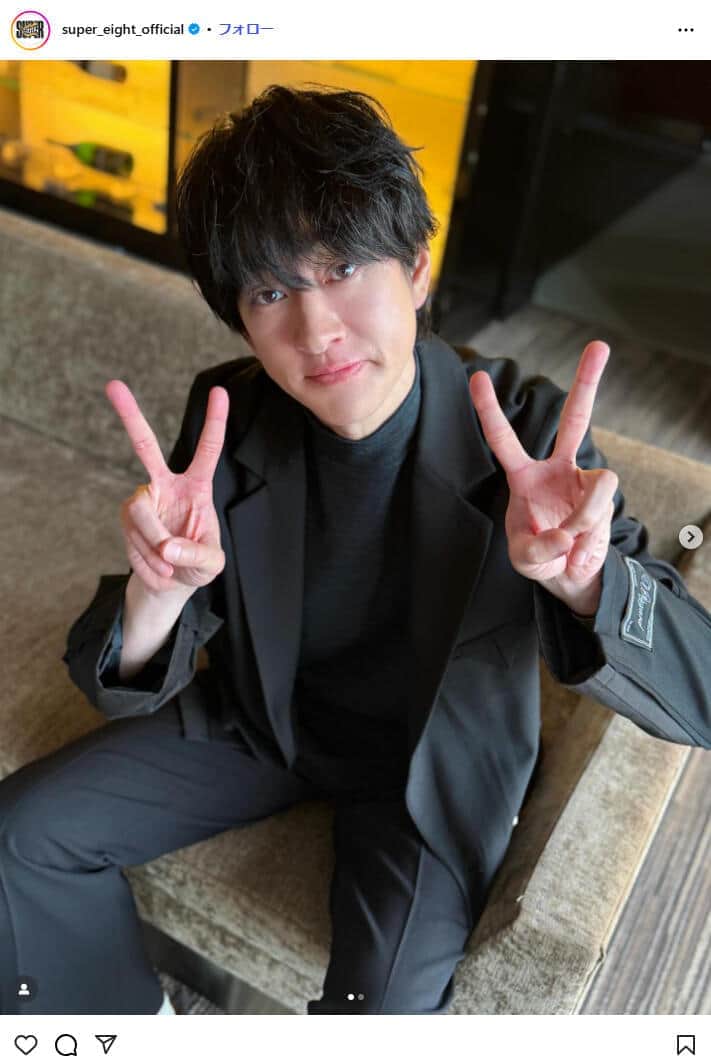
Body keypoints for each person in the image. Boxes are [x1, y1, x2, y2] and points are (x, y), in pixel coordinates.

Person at [1, 85, 709, 1017]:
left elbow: (700, 695)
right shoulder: (232, 413)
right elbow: (126, 669)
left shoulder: (525, 430)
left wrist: (586, 583)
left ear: (416, 268)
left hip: (424, 771)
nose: (317, 330)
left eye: (342, 268)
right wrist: (159, 594)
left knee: (380, 1008)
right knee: (20, 835)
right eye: (270, 291)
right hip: (261, 723)